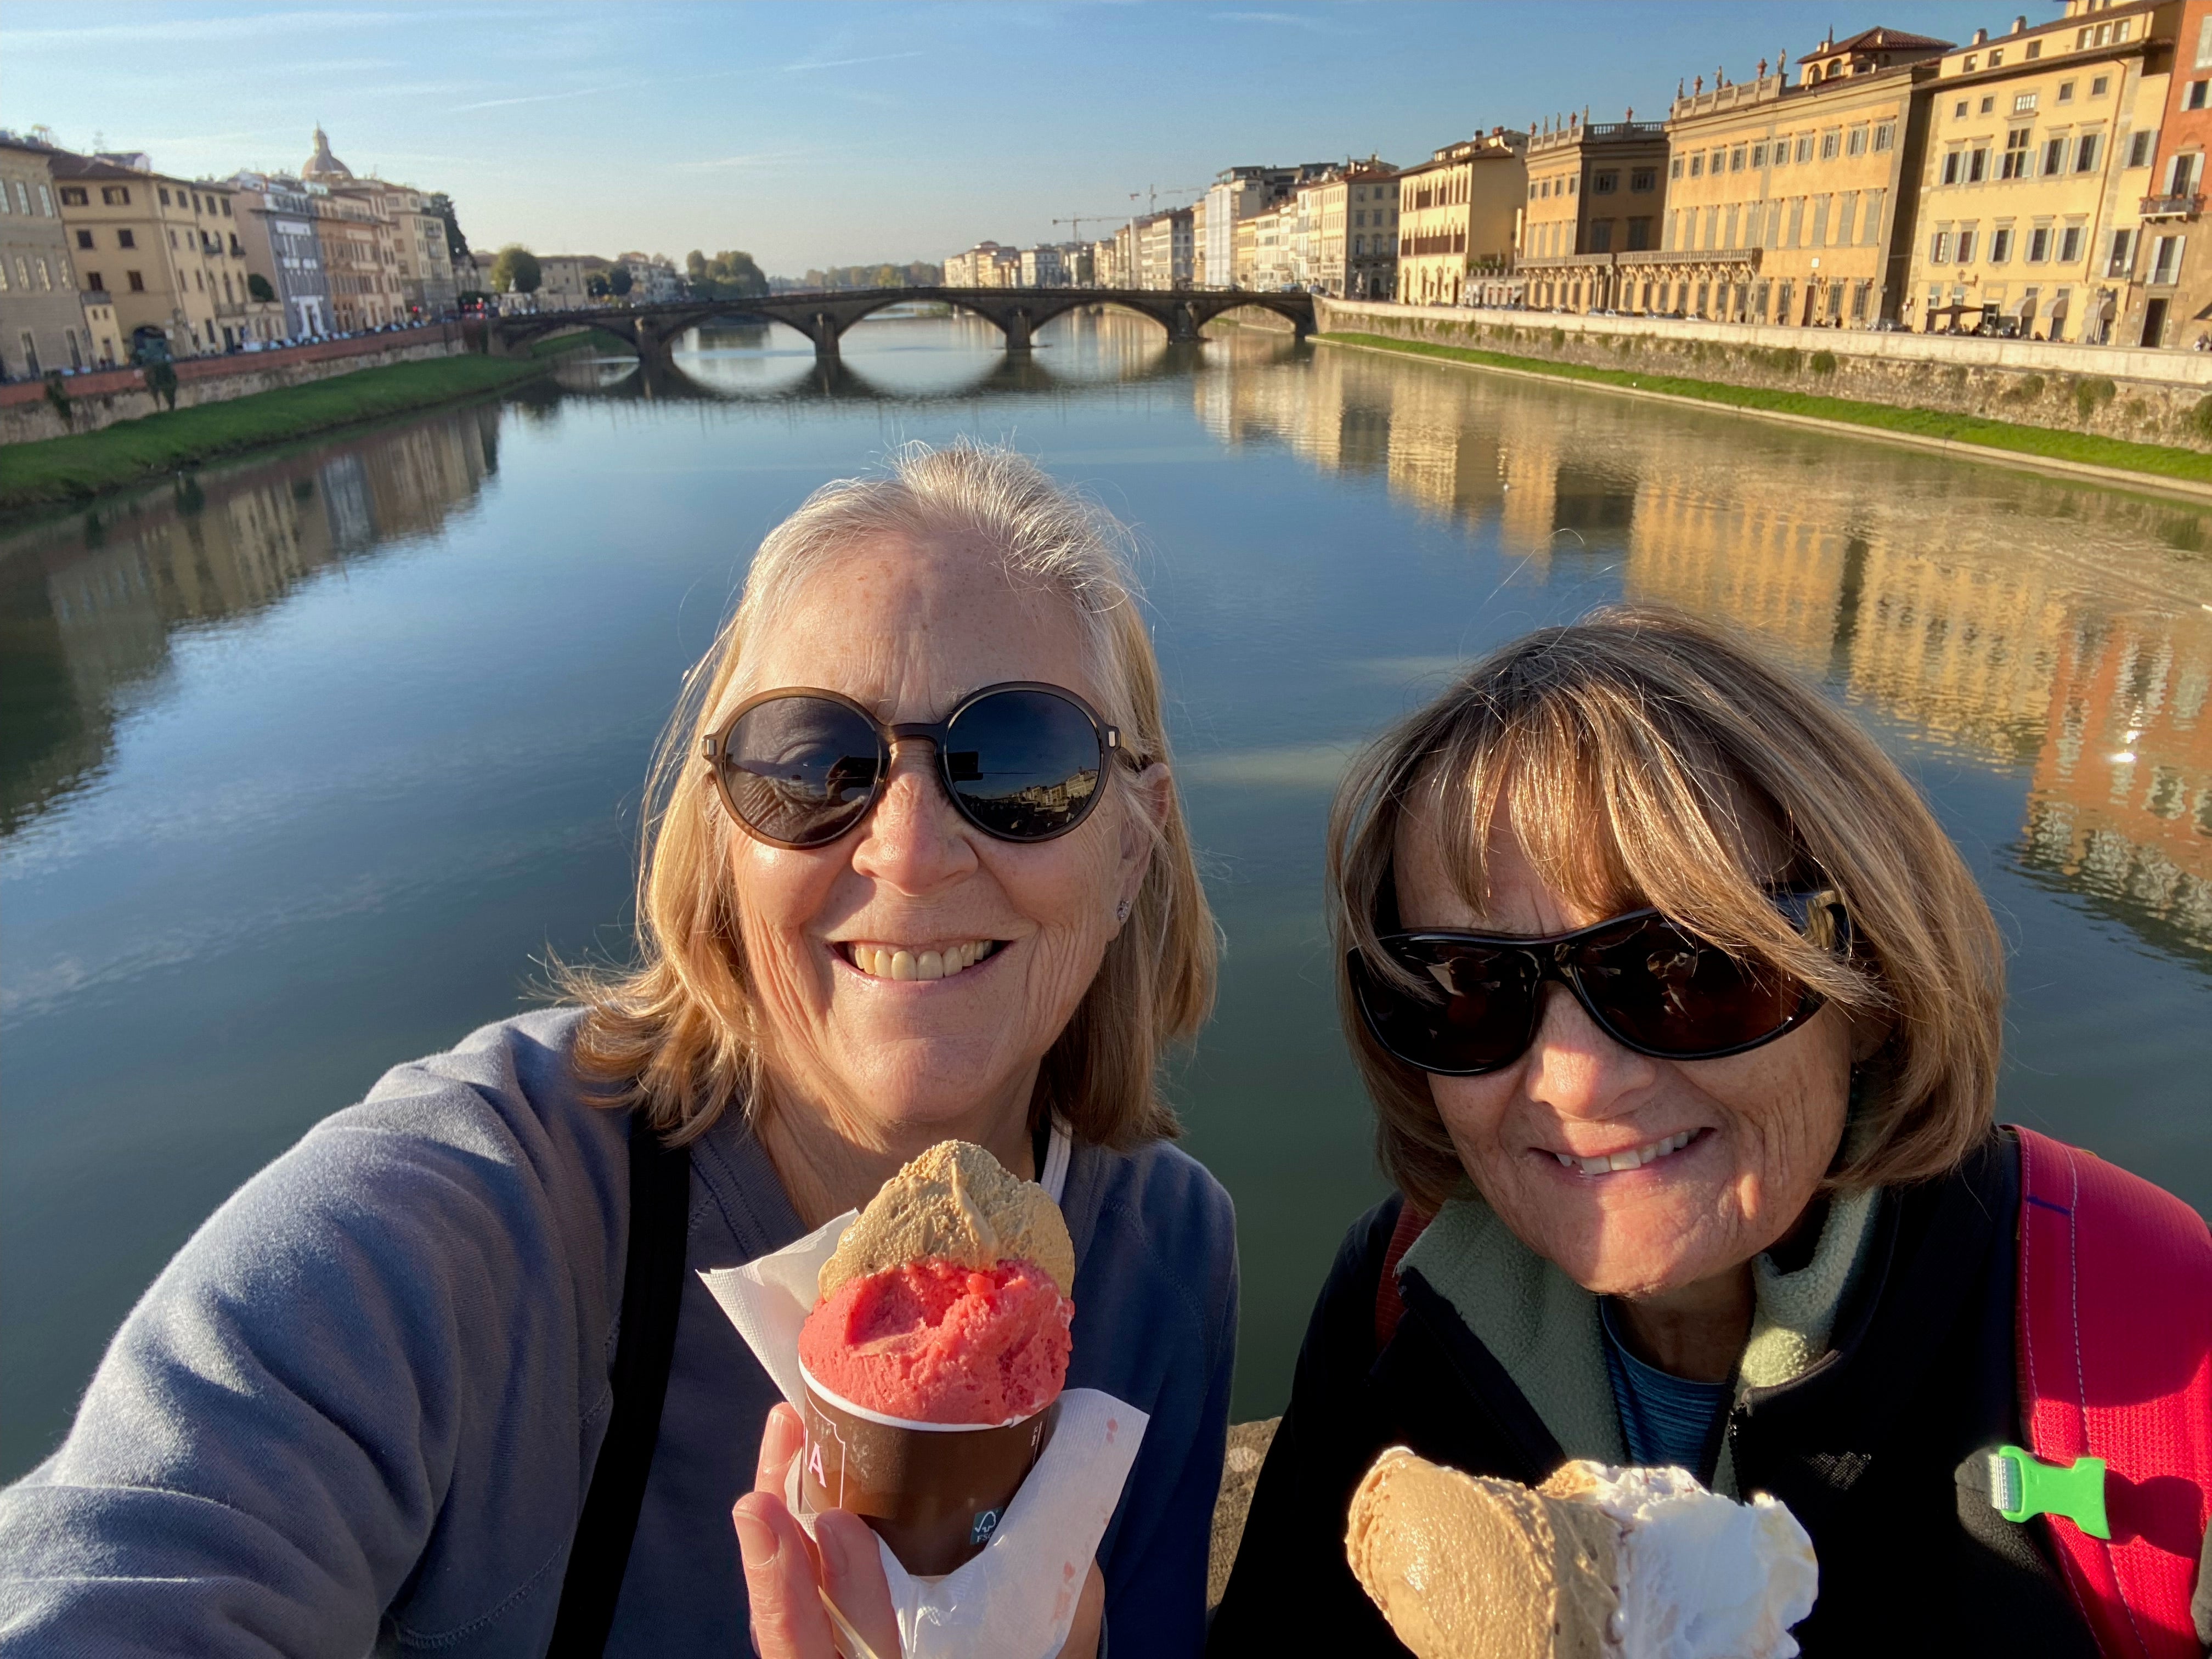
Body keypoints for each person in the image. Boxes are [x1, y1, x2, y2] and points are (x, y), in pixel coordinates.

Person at [0, 442, 1238, 1658]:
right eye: (816, 765)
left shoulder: (1171, 1257)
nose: (908, 851)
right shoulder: (456, 1231)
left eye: (1020, 762)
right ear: (724, 835)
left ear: (1133, 844)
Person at [1211, 607, 2202, 1657]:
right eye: (1473, 985)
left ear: (1867, 986)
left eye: (1685, 968)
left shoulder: (2155, 1337)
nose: (1576, 1080)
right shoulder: (1395, 1306)